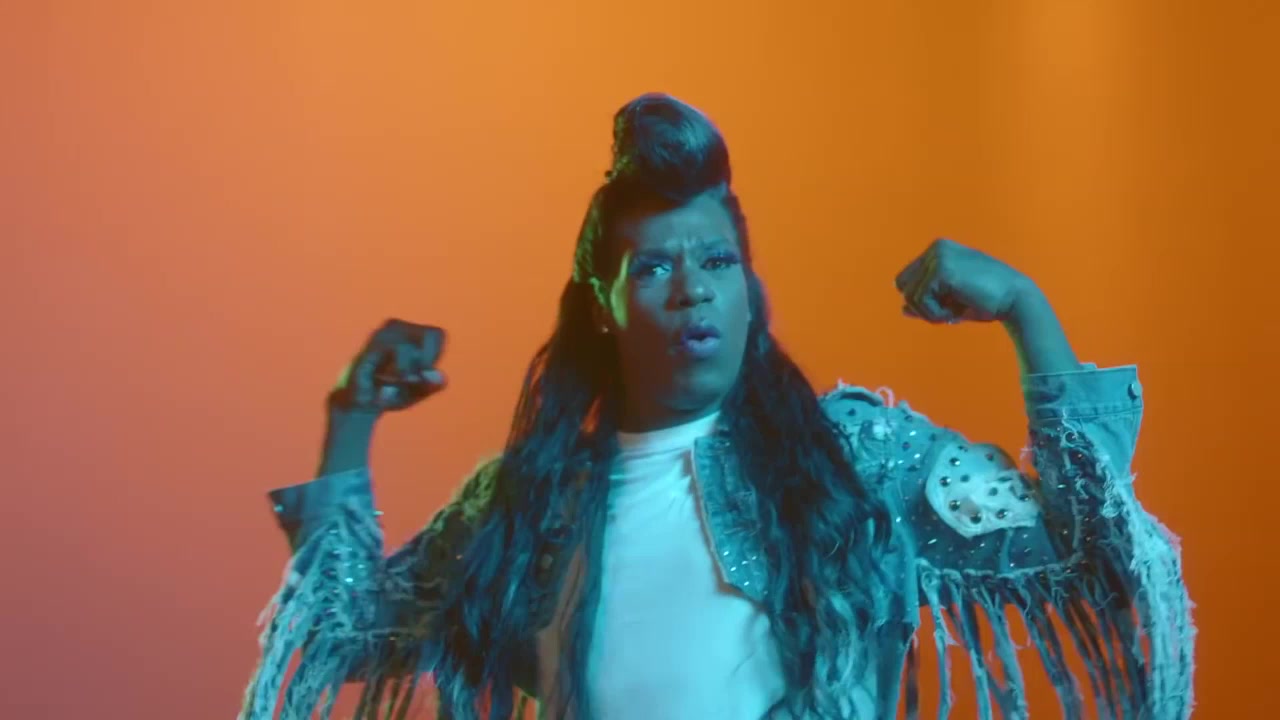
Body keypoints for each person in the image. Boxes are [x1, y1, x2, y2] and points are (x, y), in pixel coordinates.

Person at [239, 94, 1194, 720]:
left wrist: (1025, 308)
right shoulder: (526, 503)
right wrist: (351, 420)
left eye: (718, 260)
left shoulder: (849, 457)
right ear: (604, 306)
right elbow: (340, 636)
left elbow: (1092, 548)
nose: (693, 287)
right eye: (655, 267)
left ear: (749, 290)